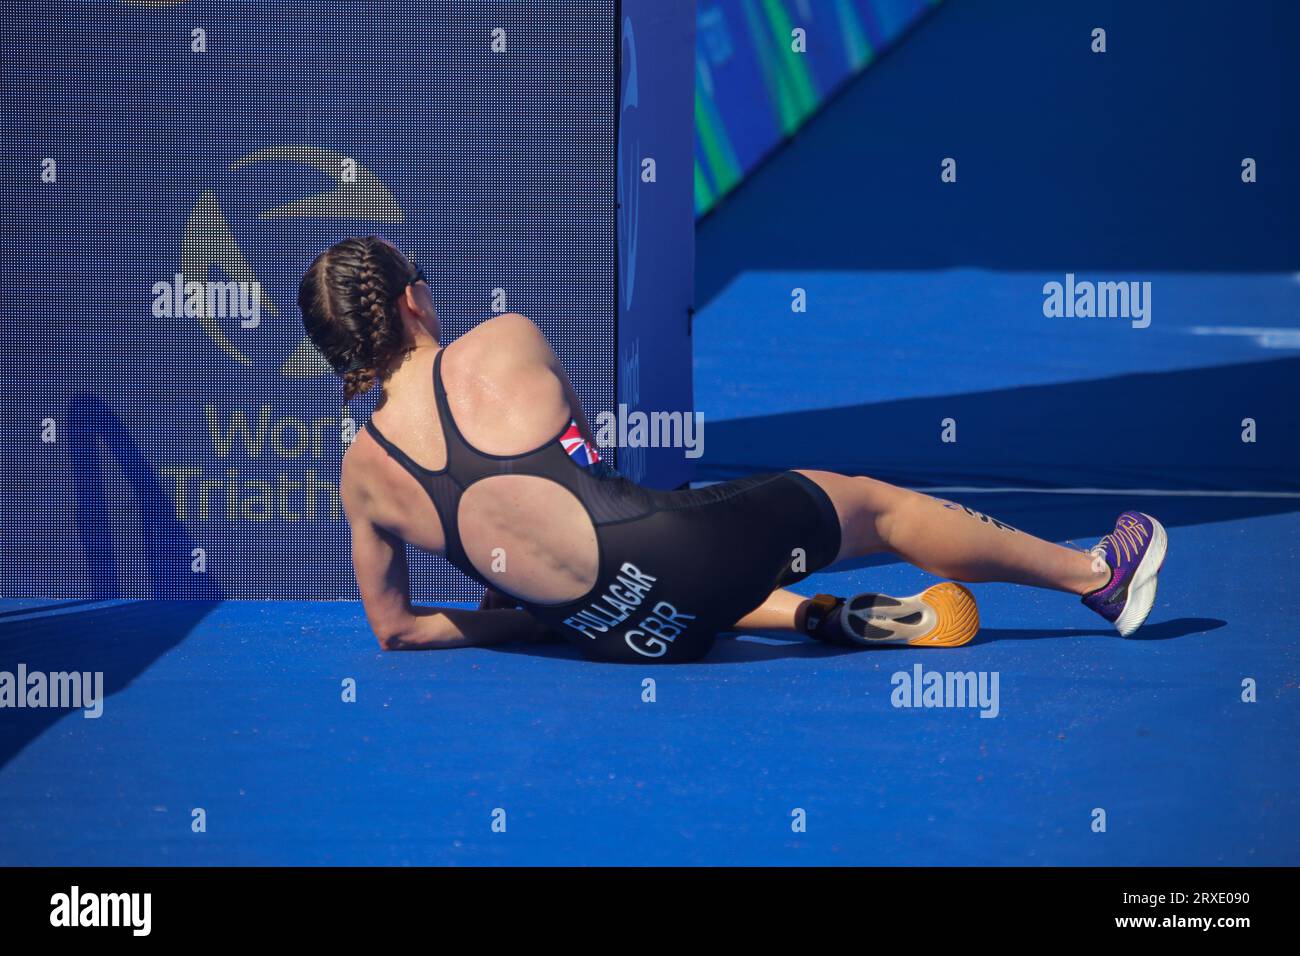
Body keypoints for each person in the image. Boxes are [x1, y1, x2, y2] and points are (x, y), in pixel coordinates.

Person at [297, 237, 1167, 663]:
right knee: (875, 506)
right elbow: (599, 482)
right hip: (665, 563)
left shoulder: (360, 479)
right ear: (414, 301)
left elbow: (398, 629)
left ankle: (818, 615)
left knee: (645, 577)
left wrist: (534, 616)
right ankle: (1096, 577)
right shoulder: (502, 339)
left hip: (612, 636)